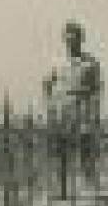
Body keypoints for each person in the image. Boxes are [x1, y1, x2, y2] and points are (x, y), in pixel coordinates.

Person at [42, 21, 103, 192]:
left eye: (75, 39)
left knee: (85, 148)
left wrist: (93, 112)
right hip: (62, 108)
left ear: (81, 40)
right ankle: (60, 188)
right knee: (61, 150)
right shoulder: (57, 62)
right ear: (64, 41)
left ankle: (90, 188)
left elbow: (96, 89)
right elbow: (47, 83)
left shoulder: (90, 63)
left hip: (82, 108)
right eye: (68, 39)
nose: (71, 43)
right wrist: (50, 105)